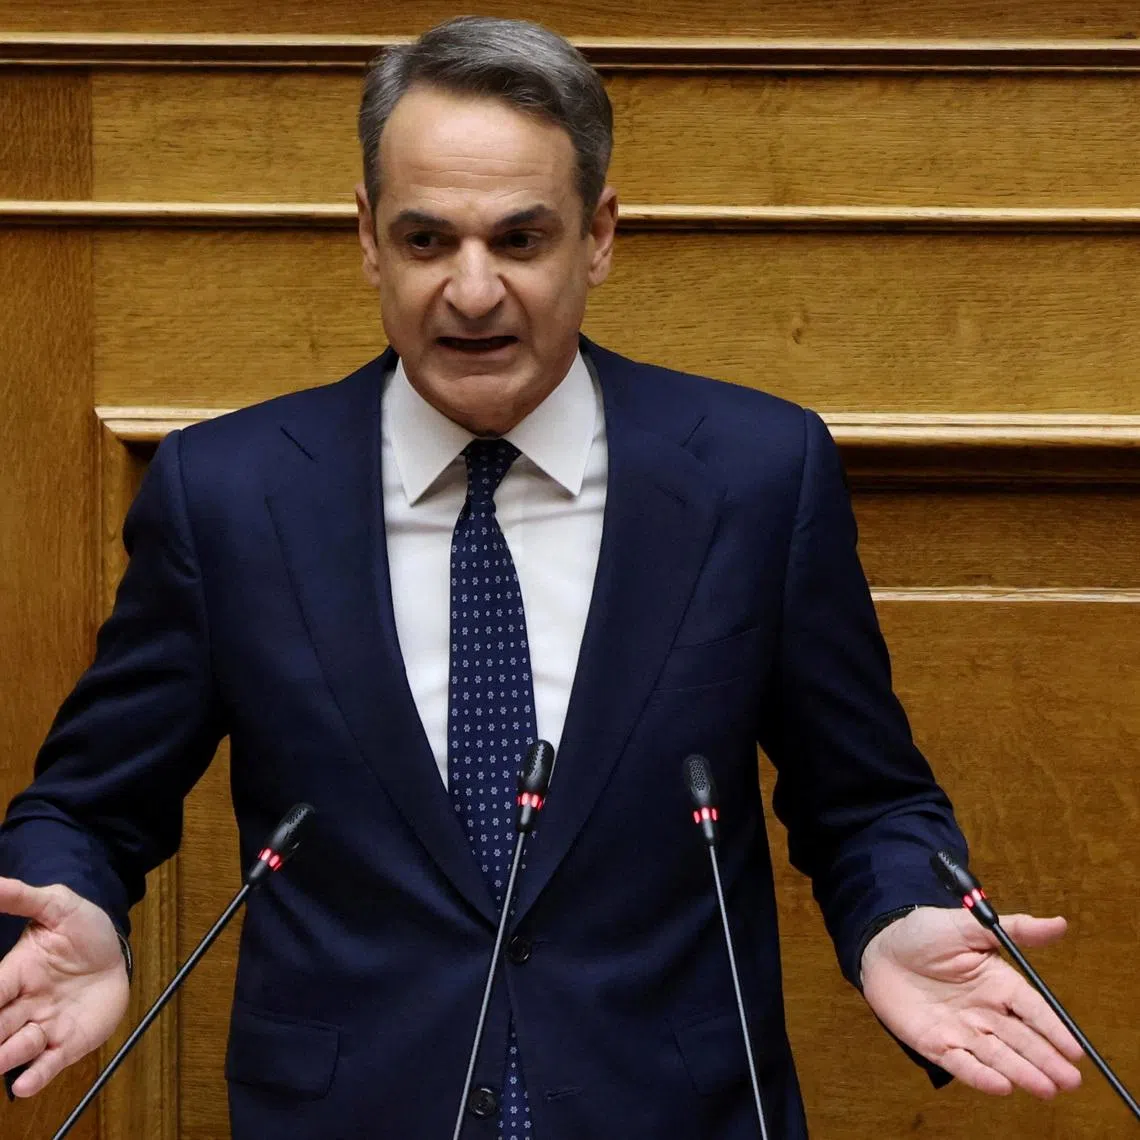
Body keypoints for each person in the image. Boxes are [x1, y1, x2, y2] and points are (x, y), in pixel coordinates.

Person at [0, 17, 1083, 1139]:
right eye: (427, 240)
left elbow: (865, 799)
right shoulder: (230, 494)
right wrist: (69, 902)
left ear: (597, 237)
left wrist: (898, 911)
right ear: (369, 240)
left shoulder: (754, 475)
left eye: (520, 239)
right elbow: (89, 806)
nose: (472, 291)